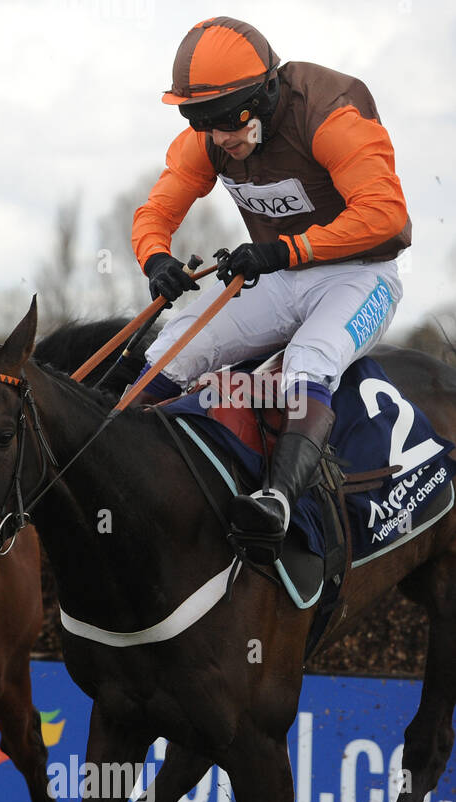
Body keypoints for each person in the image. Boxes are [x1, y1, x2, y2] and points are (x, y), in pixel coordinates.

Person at [130, 16, 410, 564]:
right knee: (178, 343)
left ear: (267, 90)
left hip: (363, 275)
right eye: (200, 122)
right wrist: (156, 257)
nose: (219, 138)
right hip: (285, 276)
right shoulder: (210, 138)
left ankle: (278, 501)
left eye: (228, 120)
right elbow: (156, 210)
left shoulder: (330, 115)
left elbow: (387, 216)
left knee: (308, 360)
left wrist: (289, 250)